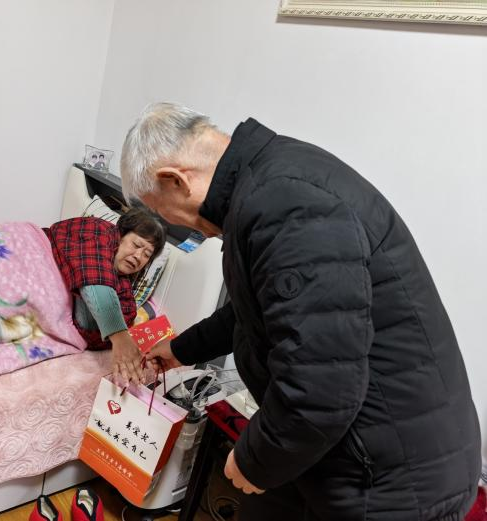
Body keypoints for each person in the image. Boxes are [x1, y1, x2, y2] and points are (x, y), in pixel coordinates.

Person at [119, 103, 481, 520]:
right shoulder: (265, 186)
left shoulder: (287, 207)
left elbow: (322, 384)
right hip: (340, 443)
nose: (178, 225)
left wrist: (255, 459)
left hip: (393, 475)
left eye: (162, 211)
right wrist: (180, 349)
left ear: (176, 180)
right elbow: (254, 311)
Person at [44, 208, 166, 385]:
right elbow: (93, 270)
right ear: (120, 236)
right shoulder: (97, 230)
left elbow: (92, 335)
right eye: (136, 245)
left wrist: (121, 339)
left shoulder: (125, 295)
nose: (138, 256)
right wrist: (119, 335)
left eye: (147, 255)